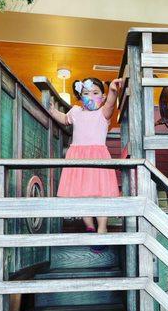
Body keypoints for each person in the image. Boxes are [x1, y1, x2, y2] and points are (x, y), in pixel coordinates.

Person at [50, 77, 122, 253]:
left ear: (102, 97)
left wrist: (113, 90)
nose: (91, 97)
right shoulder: (75, 111)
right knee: (80, 193)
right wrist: (51, 110)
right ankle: (89, 225)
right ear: (80, 97)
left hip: (98, 157)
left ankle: (102, 228)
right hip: (77, 157)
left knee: (101, 194)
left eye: (96, 93)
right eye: (86, 93)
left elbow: (112, 104)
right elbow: (64, 118)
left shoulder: (103, 113)